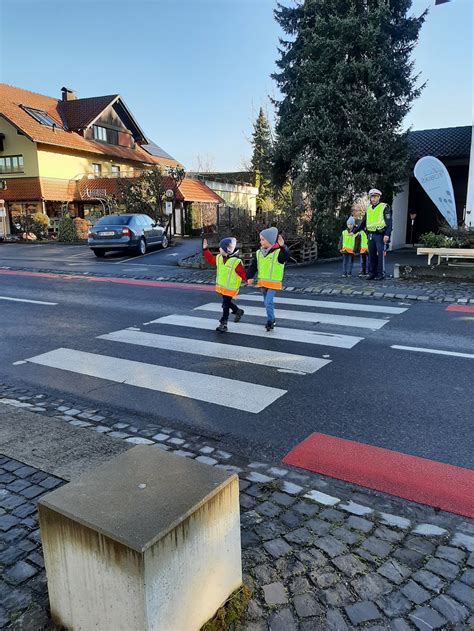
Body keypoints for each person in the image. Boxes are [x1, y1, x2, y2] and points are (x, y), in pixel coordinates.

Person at [247, 227, 291, 331]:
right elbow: (253, 266)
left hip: (273, 284)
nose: (260, 241)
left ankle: (270, 321)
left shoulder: (279, 252)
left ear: (270, 240)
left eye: (263, 239)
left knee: (268, 302)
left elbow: (286, 257)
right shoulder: (259, 253)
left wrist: (283, 246)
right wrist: (249, 276)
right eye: (260, 239)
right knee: (267, 303)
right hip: (262, 283)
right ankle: (272, 319)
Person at [202, 236, 246, 332]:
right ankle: (238, 311)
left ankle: (223, 323)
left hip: (231, 288)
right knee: (226, 303)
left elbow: (242, 273)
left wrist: (248, 279)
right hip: (222, 288)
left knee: (225, 305)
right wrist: (205, 249)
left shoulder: (236, 262)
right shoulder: (219, 258)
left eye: (221, 248)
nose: (219, 249)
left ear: (227, 250)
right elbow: (211, 260)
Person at [355, 188, 392, 280]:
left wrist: (387, 234)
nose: (373, 199)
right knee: (371, 255)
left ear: (379, 197)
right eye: (372, 197)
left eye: (375, 197)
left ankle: (380, 274)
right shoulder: (369, 209)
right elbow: (363, 222)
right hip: (371, 235)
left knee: (380, 255)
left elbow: (389, 222)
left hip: (380, 235)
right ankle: (373, 273)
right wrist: (354, 231)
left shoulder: (384, 207)